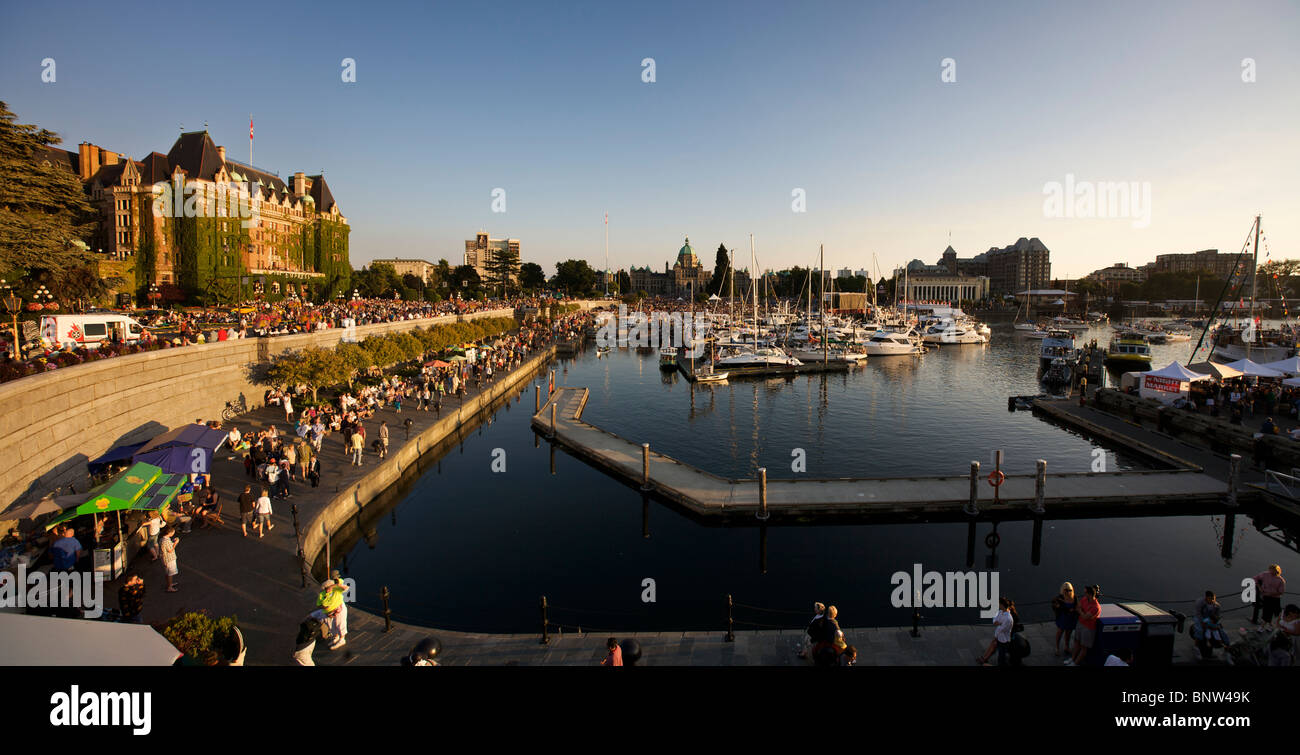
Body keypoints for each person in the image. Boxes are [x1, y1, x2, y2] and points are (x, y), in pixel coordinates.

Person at [1069, 585, 1100, 666]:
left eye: (1085, 592)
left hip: (1088, 629)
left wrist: (1080, 611)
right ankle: (1072, 659)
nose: (1084, 594)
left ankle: (1075, 663)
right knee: (1076, 642)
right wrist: (1081, 611)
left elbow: (1085, 617)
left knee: (1083, 647)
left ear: (1090, 594)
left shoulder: (1096, 607)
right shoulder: (1085, 599)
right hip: (1080, 624)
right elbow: (1078, 607)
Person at [1193, 590, 1229, 661]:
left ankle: (1227, 649)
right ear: (1206, 598)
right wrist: (1203, 623)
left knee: (1221, 631)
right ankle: (1196, 648)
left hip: (1211, 619)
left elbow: (1218, 615)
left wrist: (1215, 621)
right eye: (1210, 599)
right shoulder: (1199, 603)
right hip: (1200, 618)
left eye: (1213, 598)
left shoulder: (1216, 605)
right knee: (1200, 630)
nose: (1212, 600)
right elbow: (1198, 614)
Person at [316, 578, 348, 649]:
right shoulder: (322, 594)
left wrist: (335, 585)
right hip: (330, 612)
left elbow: (345, 588)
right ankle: (336, 637)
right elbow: (318, 604)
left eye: (328, 587)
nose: (327, 589)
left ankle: (342, 639)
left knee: (340, 624)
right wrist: (323, 607)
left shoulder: (336, 590)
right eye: (325, 588)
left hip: (339, 610)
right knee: (333, 625)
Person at [1253, 564, 1286, 631]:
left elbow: (1281, 591)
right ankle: (1269, 626)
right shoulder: (1265, 574)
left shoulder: (1280, 580)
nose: (1271, 571)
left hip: (1275, 598)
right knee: (1267, 611)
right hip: (1266, 597)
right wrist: (1259, 587)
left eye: (1273, 570)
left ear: (1277, 571)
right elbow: (1255, 578)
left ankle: (1263, 627)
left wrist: (1271, 593)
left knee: (1270, 612)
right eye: (1270, 569)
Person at [1052, 582, 1078, 657]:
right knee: (1060, 632)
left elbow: (1078, 606)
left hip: (1071, 619)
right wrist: (1065, 609)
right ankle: (1057, 647)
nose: (1068, 591)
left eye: (1070, 590)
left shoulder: (1074, 598)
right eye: (1066, 590)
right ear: (1063, 590)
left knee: (1068, 634)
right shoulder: (1059, 598)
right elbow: (1055, 606)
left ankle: (1066, 646)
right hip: (1062, 618)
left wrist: (1075, 610)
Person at [159, 527, 179, 592]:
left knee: (167, 572)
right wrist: (176, 543)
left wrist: (173, 541)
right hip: (169, 559)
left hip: (164, 558)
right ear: (170, 533)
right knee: (170, 573)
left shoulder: (162, 539)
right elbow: (170, 550)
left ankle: (169, 584)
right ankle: (169, 587)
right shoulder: (166, 541)